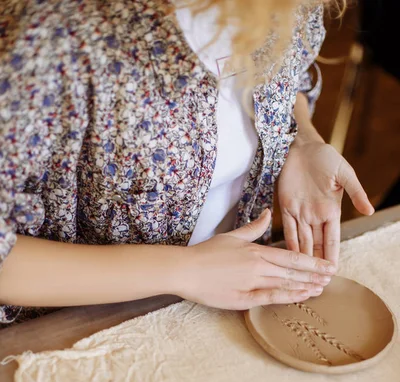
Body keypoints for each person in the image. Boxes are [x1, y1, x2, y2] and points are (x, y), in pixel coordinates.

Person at [0, 0, 374, 325]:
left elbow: (293, 79)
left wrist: (303, 141)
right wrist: (186, 271)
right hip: (87, 325)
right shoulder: (53, 32)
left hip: (230, 295)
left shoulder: (287, 9)